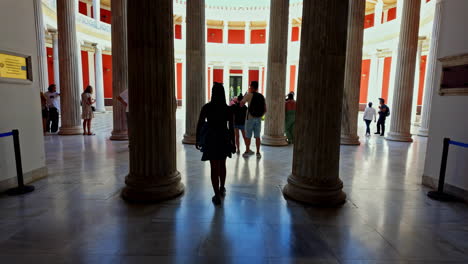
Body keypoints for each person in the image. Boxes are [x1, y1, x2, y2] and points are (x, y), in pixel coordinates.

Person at [196, 82, 235, 205]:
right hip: (223, 137)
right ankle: (222, 187)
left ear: (213, 93)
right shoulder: (228, 109)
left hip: (211, 138)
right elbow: (232, 128)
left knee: (214, 166)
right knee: (222, 164)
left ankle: (217, 195)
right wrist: (233, 143)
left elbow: (200, 123)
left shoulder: (207, 107)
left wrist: (197, 139)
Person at [240, 81, 266, 158]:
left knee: (248, 136)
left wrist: (243, 98)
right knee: (257, 136)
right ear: (257, 87)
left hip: (250, 118)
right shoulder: (261, 96)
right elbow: (265, 109)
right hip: (258, 118)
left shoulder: (249, 95)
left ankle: (247, 151)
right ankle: (258, 153)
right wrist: (260, 116)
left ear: (251, 87)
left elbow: (241, 104)